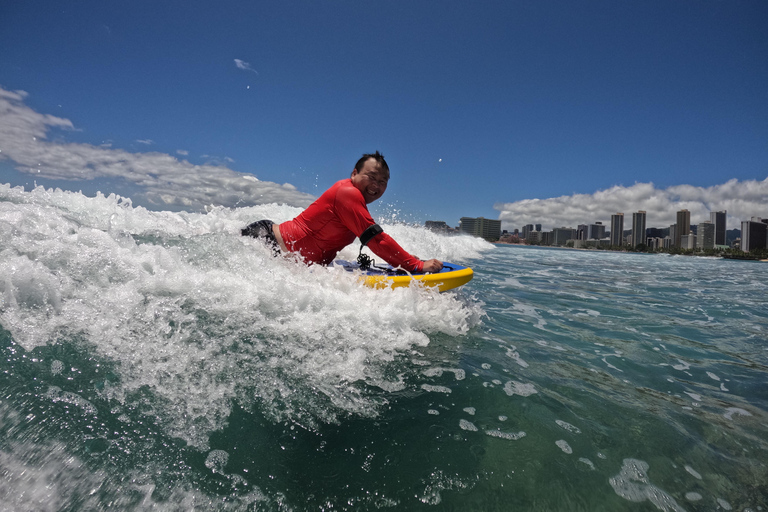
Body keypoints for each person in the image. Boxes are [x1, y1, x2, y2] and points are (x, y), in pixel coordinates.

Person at [242, 152, 443, 273]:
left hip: (279, 249)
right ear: (354, 173)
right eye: (371, 177)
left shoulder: (355, 201)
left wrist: (404, 259)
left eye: (383, 182)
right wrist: (414, 265)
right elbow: (376, 239)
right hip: (268, 242)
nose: (376, 185)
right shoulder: (347, 193)